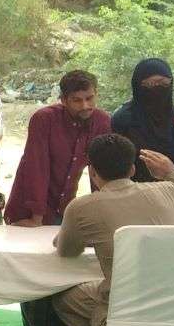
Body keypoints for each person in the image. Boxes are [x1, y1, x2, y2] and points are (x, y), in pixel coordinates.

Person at [49, 133, 174, 326]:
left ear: (92, 172)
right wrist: (172, 173)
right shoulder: (170, 190)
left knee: (60, 297)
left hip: (123, 308)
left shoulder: (82, 207)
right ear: (132, 169)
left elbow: (66, 251)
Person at [7, 71, 112, 226]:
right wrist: (36, 217)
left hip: (64, 209)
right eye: (77, 100)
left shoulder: (101, 121)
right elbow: (37, 167)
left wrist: (101, 214)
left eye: (89, 98)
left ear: (96, 94)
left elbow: (99, 171)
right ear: (63, 100)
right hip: (28, 211)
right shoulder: (44, 119)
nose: (85, 106)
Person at [110, 58, 174, 183]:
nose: (157, 90)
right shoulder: (122, 120)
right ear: (137, 85)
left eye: (163, 84)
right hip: (136, 195)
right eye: (149, 85)